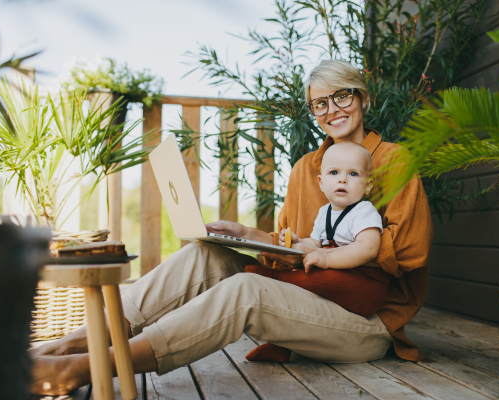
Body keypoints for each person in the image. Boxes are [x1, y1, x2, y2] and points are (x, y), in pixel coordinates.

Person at [30, 59, 433, 396]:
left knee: (246, 289)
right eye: (319, 104)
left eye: (341, 95)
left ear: (362, 97)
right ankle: (69, 343)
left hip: (366, 323)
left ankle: (84, 368)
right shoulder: (305, 170)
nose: (332, 110)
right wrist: (248, 236)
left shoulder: (396, 162)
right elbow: (292, 246)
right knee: (206, 254)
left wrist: (332, 252)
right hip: (308, 296)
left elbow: (410, 252)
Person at [244, 141, 392, 363]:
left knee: (313, 275)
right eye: (334, 172)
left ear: (368, 186)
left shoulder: (363, 211)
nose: (342, 179)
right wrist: (298, 241)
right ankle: (279, 344)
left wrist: (326, 258)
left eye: (353, 173)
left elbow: (368, 248)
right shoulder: (325, 212)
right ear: (322, 183)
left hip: (364, 286)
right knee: (301, 295)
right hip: (336, 280)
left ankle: (274, 277)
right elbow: (315, 243)